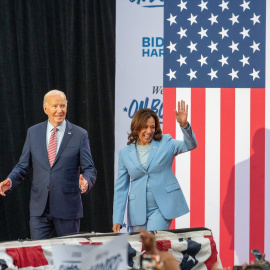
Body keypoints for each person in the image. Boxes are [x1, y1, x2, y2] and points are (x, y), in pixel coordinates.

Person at [0, 90, 97, 240]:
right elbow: (23, 165)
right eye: (55, 106)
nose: (60, 110)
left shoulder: (79, 134)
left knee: (69, 257)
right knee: (38, 256)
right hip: (40, 209)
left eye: (63, 105)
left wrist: (86, 183)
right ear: (45, 109)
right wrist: (10, 180)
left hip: (67, 208)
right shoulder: (33, 132)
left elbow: (89, 168)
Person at [112, 100, 197, 233]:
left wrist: (184, 125)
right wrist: (117, 218)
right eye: (145, 127)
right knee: (141, 249)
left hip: (162, 207)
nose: (149, 131)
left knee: (152, 244)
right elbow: (121, 188)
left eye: (152, 127)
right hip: (137, 210)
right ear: (137, 127)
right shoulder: (124, 153)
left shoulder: (166, 142)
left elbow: (190, 144)